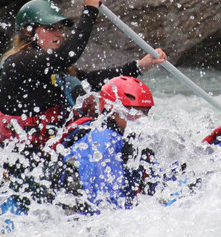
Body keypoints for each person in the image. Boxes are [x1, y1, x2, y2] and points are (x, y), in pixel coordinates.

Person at [0, 0, 167, 148]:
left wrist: (140, 66)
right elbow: (68, 55)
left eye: (60, 28)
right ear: (28, 32)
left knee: (115, 123)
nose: (59, 33)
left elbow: (92, 81)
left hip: (56, 151)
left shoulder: (54, 70)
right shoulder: (19, 63)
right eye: (51, 28)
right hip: (31, 161)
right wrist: (90, 10)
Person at [52, 76, 176, 211]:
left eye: (144, 112)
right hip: (82, 217)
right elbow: (106, 205)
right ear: (111, 111)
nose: (139, 118)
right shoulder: (103, 141)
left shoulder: (133, 138)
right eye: (132, 112)